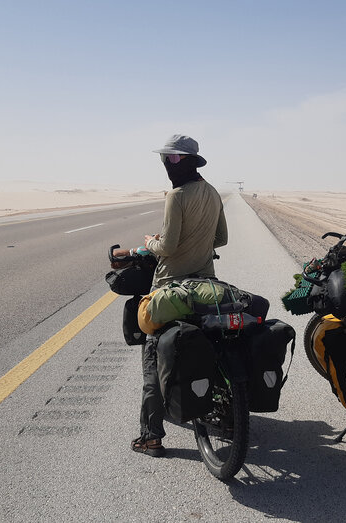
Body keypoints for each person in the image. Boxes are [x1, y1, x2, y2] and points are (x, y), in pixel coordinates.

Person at [130, 134, 228, 457]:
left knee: (153, 356)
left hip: (170, 286)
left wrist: (152, 241)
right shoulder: (213, 193)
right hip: (205, 285)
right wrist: (198, 245)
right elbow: (222, 238)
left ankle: (151, 436)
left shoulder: (176, 196)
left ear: (186, 162)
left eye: (172, 159)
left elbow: (168, 247)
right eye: (166, 159)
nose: (168, 165)